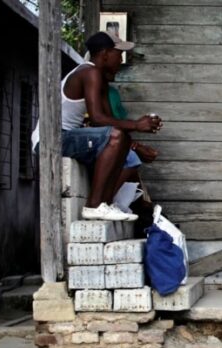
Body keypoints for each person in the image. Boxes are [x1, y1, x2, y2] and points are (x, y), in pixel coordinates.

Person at [32, 31, 162, 221]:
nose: (120, 60)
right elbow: (98, 119)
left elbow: (106, 120)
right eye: (119, 54)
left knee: (126, 147)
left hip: (68, 137)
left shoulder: (100, 79)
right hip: (51, 139)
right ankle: (93, 206)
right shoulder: (89, 72)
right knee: (116, 136)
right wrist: (136, 124)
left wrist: (140, 128)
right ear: (105, 53)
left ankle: (105, 205)